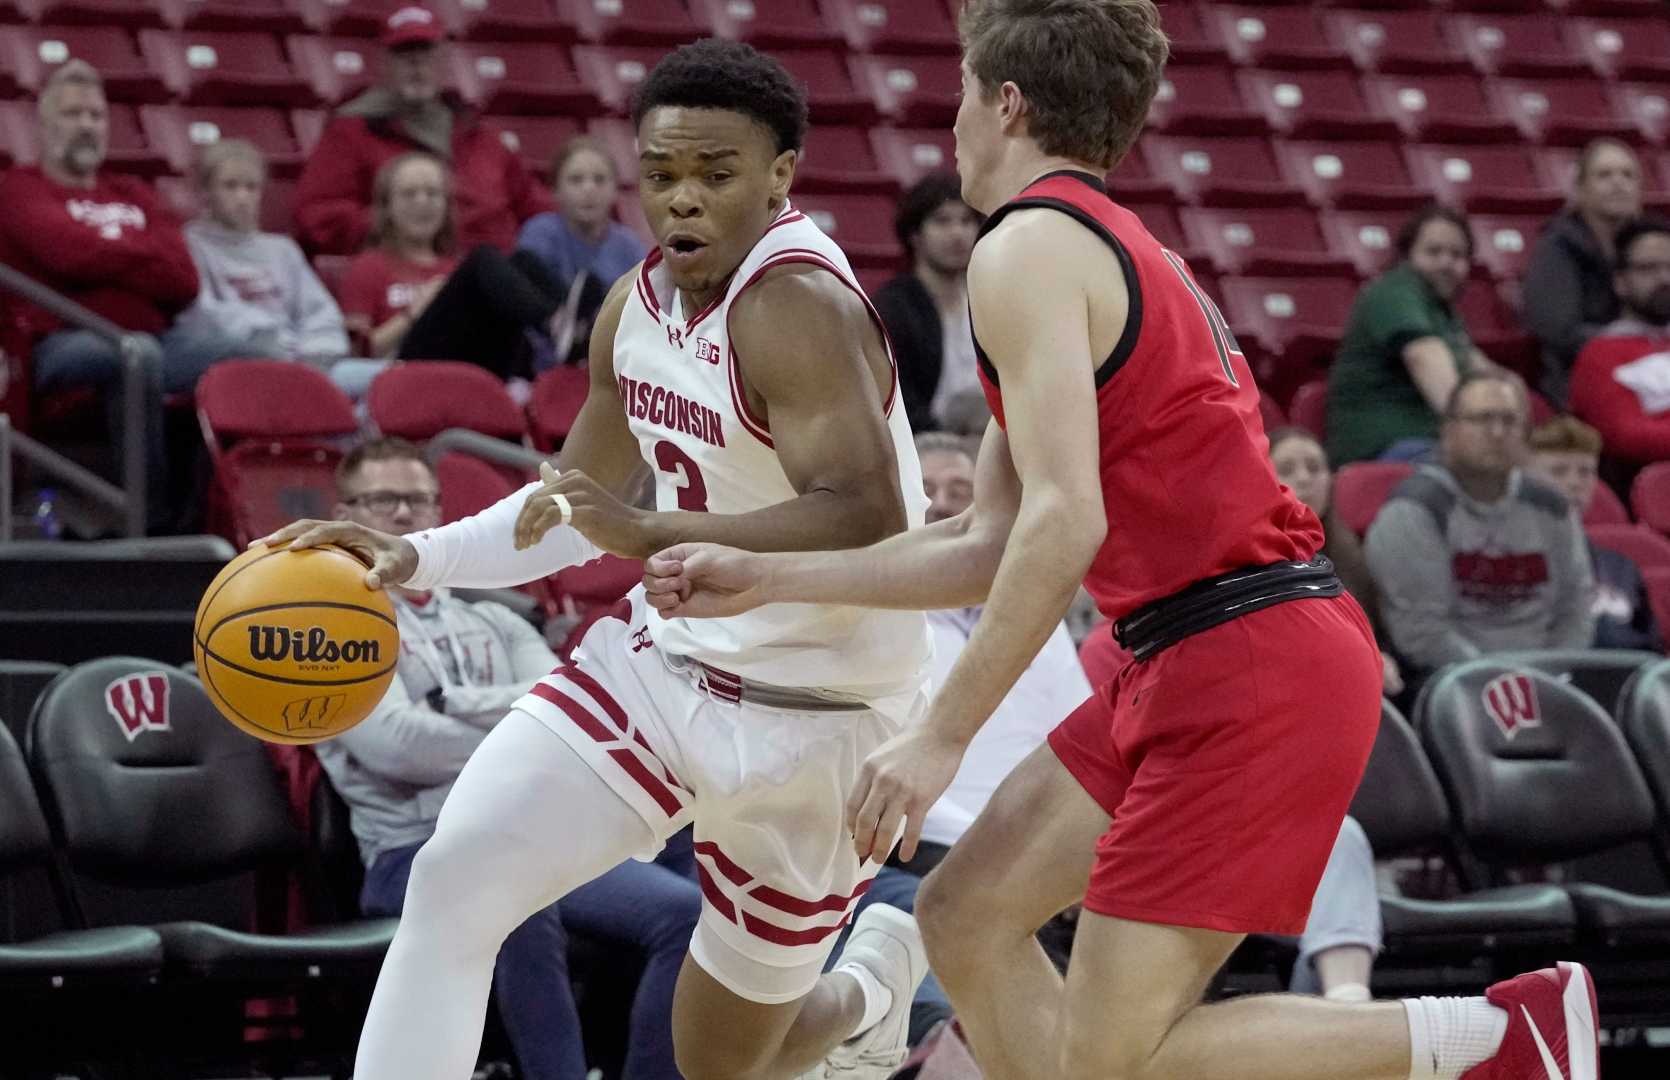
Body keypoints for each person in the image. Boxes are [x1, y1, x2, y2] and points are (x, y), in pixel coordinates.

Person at [645, 4, 1598, 1079]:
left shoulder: (1027, 250)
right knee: (964, 916)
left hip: (1246, 653)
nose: (948, 123)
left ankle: (1494, 1037)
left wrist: (938, 738)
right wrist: (765, 573)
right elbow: (983, 543)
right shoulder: (1084, 245)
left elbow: (1065, 525)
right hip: (1181, 645)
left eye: (960, 93)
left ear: (1006, 103)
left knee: (1116, 1061)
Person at [264, 39, 934, 1080]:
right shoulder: (633, 304)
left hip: (819, 718)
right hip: (665, 670)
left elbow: (863, 508)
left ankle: (865, 992)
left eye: (715, 175)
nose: (683, 201)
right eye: (662, 174)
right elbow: (570, 511)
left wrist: (657, 533)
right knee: (454, 883)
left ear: (780, 177)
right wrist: (411, 557)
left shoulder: (796, 303)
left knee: (723, 1063)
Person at [316, 436, 700, 1080]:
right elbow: (396, 747)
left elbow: (565, 708)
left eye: (419, 499)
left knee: (686, 904)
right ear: (348, 509)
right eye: (384, 500)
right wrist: (522, 732)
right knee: (505, 894)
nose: (405, 515)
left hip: (529, 829)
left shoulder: (500, 620)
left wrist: (450, 703)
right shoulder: (330, 629)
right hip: (405, 849)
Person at [0, 60, 252, 530]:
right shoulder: (20, 188)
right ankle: (147, 523)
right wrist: (139, 255)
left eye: (96, 117)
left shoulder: (131, 191)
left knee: (249, 356)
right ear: (45, 124)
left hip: (156, 336)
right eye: (73, 115)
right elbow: (66, 254)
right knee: (136, 357)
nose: (87, 127)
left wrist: (107, 256)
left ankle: (216, 513)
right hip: (60, 343)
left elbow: (183, 279)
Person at [1367, 373, 1596, 686]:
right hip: (1452, 685)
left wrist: (1552, 675)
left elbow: (1576, 607)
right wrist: (1500, 681)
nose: (1498, 432)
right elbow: (1422, 632)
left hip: (1552, 678)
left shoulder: (1552, 506)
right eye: (1483, 419)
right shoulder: (1414, 509)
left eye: (1510, 420)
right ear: (1449, 431)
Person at [294, 4, 551, 257]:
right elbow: (318, 216)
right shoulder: (351, 132)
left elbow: (536, 207)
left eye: (426, 52)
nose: (417, 64)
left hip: (501, 268)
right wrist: (397, 221)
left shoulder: (482, 135)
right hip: (415, 270)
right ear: (384, 63)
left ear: (443, 59)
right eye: (404, 54)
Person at [338, 152, 563, 382]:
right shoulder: (369, 267)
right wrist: (414, 313)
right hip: (405, 373)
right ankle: (554, 323)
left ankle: (579, 331)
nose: (422, 202)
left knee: (522, 261)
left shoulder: (453, 267)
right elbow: (357, 354)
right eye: (409, 194)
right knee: (483, 257)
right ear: (387, 206)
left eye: (433, 194)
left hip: (473, 367)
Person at [1327, 204, 1499, 466]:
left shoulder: (1445, 313)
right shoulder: (1395, 289)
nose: (1446, 262)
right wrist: (1478, 434)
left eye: (1457, 255)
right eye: (1433, 251)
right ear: (1407, 256)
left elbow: (1484, 372)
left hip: (1426, 444)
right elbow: (1423, 356)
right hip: (1383, 451)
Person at [178, 139, 352, 373]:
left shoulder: (283, 249)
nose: (242, 197)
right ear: (207, 191)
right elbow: (203, 316)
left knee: (384, 381)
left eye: (251, 187)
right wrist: (270, 339)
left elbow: (320, 314)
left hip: (306, 362)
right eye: (230, 186)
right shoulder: (189, 244)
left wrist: (315, 351)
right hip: (237, 365)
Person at [1267, 427, 1404, 697]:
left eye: (1315, 467)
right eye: (1286, 469)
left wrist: (1378, 657)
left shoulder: (1349, 551)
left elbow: (1376, 636)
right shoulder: (1251, 559)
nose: (1304, 479)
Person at [1523, 138, 1644, 406]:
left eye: (1628, 175)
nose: (1618, 182)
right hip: (1577, 382)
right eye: (1604, 175)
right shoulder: (1556, 247)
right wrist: (1633, 339)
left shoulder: (1650, 245)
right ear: (1580, 189)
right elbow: (1559, 333)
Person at [1527, 416, 1661, 652]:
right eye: (1558, 471)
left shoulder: (1621, 569)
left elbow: (1650, 657)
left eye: (1585, 472)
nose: (1574, 482)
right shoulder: (1500, 564)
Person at [518, 136, 649, 368]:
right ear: (555, 190)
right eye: (576, 180)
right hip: (543, 365)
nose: (589, 189)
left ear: (615, 190)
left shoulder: (629, 246)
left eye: (599, 180)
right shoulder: (538, 233)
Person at [871, 174, 984, 434]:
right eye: (942, 221)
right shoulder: (894, 307)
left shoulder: (990, 298)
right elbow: (896, 400)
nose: (957, 233)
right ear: (915, 235)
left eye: (966, 221)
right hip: (922, 441)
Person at [1568, 215, 1670, 465]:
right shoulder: (1601, 354)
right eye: (1648, 268)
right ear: (1620, 282)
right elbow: (1625, 437)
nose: (1665, 279)